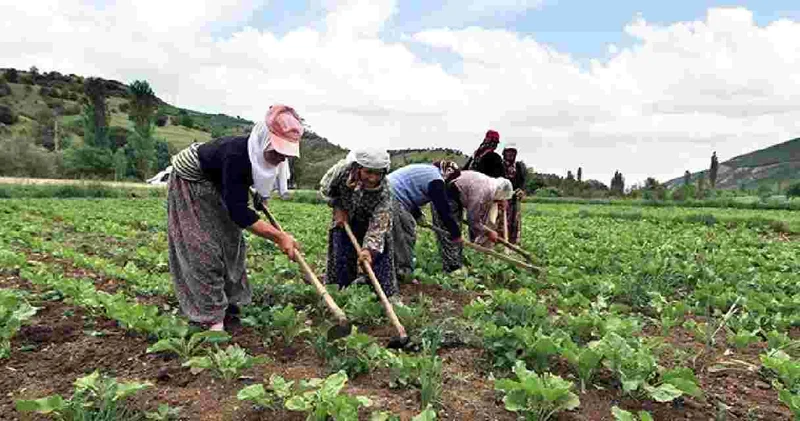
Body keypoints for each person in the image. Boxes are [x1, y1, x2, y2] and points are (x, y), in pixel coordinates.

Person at [167, 105, 302, 332]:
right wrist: (279, 237)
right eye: (277, 152)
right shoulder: (237, 155)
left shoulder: (272, 158)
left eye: (284, 154)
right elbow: (239, 213)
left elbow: (256, 183)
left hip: (218, 181)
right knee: (201, 248)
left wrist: (261, 197)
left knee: (231, 244)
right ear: (264, 142)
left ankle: (230, 304)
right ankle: (209, 318)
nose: (280, 159)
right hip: (191, 181)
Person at [319, 149, 398, 299]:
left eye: (378, 173)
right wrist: (337, 206)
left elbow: (379, 222)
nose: (373, 178)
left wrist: (369, 250)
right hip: (345, 215)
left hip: (371, 219)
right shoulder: (341, 172)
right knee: (341, 251)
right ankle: (340, 291)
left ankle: (385, 295)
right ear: (358, 168)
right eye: (368, 172)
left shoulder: (385, 191)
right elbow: (325, 189)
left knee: (380, 254)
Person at [387, 161, 463, 281]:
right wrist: (455, 233)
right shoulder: (436, 180)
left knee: (390, 235)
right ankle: (403, 273)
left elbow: (409, 188)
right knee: (406, 234)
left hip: (389, 192)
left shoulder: (428, 171)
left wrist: (417, 215)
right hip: (393, 197)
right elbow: (443, 210)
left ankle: (390, 269)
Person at [434, 170, 514, 272]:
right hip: (446, 193)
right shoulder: (483, 191)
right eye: (500, 200)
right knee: (451, 232)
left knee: (454, 231)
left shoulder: (490, 185)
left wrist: (485, 231)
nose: (498, 202)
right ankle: (451, 269)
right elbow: (472, 219)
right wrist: (488, 232)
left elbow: (479, 215)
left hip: (455, 193)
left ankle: (455, 265)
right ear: (499, 192)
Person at [502, 142, 527, 245]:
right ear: (504, 153)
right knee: (502, 220)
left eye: (513, 152)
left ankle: (512, 243)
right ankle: (501, 242)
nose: (511, 154)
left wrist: (521, 190)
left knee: (514, 221)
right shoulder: (500, 165)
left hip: (514, 198)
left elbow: (521, 182)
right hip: (502, 197)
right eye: (509, 152)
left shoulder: (518, 166)